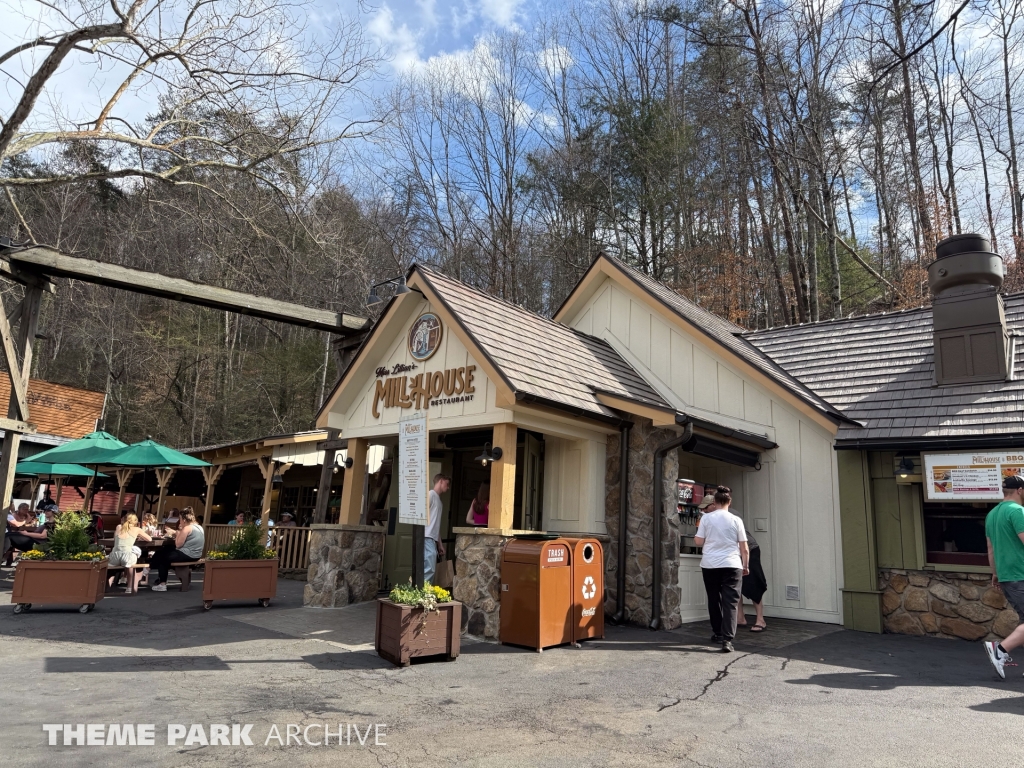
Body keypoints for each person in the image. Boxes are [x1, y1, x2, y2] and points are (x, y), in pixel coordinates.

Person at [695, 486, 749, 653]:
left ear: (715, 502)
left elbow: (698, 542)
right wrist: (745, 565)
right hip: (732, 564)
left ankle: (717, 633)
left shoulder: (706, 519)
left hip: (710, 564)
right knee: (730, 603)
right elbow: (744, 547)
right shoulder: (736, 520)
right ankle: (727, 640)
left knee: (714, 599)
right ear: (729, 501)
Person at [983, 475, 1024, 678]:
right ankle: (1000, 650)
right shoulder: (1018, 512)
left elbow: (990, 549)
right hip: (1021, 574)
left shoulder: (992, 515)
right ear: (1020, 490)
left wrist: (996, 573)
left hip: (1008, 576)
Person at [149, 507, 204, 592]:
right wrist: (176, 532)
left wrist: (177, 533)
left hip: (187, 554)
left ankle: (161, 583)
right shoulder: (199, 527)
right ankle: (156, 575)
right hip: (196, 554)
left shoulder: (187, 528)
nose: (180, 521)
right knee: (166, 550)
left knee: (162, 557)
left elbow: (178, 545)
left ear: (184, 520)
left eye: (180, 519)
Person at [735, 524, 768, 632]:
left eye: (706, 507)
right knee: (735, 583)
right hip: (734, 554)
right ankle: (740, 618)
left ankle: (760, 620)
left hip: (749, 550)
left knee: (754, 583)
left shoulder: (732, 514)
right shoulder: (709, 516)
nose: (704, 510)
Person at [107, 513, 153, 592]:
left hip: (114, 557)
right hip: (127, 557)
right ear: (135, 521)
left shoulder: (118, 527)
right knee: (132, 560)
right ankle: (129, 588)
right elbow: (149, 539)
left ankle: (106, 588)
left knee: (111, 568)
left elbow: (116, 539)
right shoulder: (137, 529)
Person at [425, 474, 450, 584]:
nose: (448, 487)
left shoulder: (439, 501)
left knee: (429, 567)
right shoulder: (430, 495)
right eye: (447, 484)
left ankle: (420, 592)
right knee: (429, 568)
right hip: (426, 536)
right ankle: (421, 593)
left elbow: (436, 524)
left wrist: (440, 544)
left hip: (432, 538)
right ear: (441, 481)